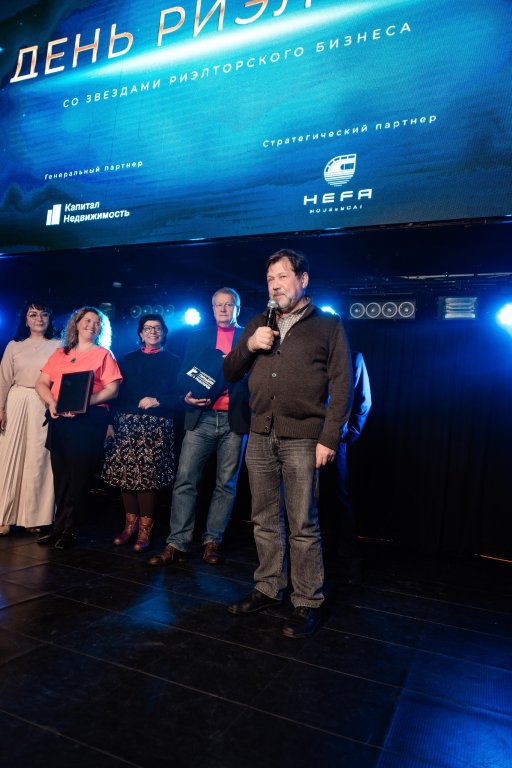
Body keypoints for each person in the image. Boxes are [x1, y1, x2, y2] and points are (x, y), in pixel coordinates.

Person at [224, 249, 353, 639]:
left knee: (302, 523)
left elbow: (343, 385)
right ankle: (268, 587)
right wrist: (250, 344)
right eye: (270, 279)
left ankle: (307, 601)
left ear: (303, 279)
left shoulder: (327, 325)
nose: (275, 285)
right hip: (260, 434)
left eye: (282, 276)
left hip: (303, 438)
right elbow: (230, 371)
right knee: (264, 518)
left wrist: (329, 438)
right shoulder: (257, 323)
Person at [148, 287, 250, 567]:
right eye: (218, 304)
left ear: (237, 308)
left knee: (226, 484)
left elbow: (256, 377)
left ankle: (212, 541)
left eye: (229, 304)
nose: (223, 309)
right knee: (185, 479)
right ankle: (176, 543)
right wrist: (187, 396)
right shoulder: (199, 336)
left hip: (234, 419)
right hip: (200, 417)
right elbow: (185, 375)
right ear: (212, 308)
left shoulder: (249, 337)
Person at [35, 307, 123, 549]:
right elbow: (41, 383)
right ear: (76, 323)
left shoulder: (104, 354)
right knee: (61, 476)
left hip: (87, 421)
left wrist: (84, 403)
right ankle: (58, 527)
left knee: (79, 477)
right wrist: (51, 403)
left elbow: (113, 390)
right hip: (59, 420)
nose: (92, 325)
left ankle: (71, 530)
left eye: (97, 322)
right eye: (87, 320)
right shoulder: (60, 353)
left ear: (101, 329)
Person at [102, 314, 181, 552]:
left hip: (156, 426)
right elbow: (116, 395)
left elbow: (181, 395)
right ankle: (130, 527)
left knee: (147, 479)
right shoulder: (127, 359)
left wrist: (158, 400)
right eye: (147, 328)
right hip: (126, 424)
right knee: (126, 476)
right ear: (140, 333)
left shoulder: (175, 361)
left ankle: (145, 531)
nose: (152, 332)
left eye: (157, 328)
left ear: (164, 332)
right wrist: (110, 423)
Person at [0, 302, 61, 536]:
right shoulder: (14, 346)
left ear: (49, 319)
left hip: (42, 402)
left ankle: (34, 517)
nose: (39, 319)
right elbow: (4, 379)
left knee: (39, 458)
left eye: (44, 314)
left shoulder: (58, 346)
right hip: (15, 401)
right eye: (33, 314)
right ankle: (4, 517)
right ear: (25, 320)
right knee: (8, 457)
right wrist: (0, 409)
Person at [323, 349, 371, 584]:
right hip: (301, 438)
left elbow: (363, 400)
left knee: (338, 497)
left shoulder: (352, 356)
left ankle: (350, 559)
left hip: (333, 439)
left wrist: (346, 435)